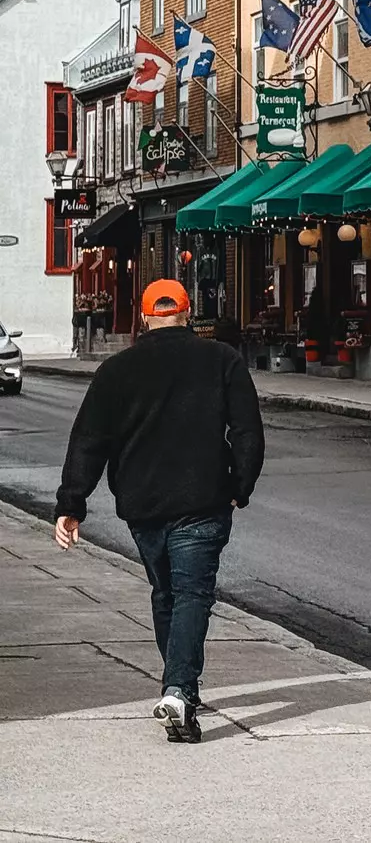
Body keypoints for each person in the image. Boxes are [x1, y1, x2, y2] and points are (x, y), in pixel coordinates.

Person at [54, 278, 264, 744]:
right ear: (188, 315)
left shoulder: (116, 370)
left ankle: (178, 697)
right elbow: (247, 430)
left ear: (145, 317)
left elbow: (88, 440)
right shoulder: (222, 360)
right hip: (202, 501)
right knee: (191, 595)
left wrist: (72, 504)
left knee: (166, 593)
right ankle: (179, 692)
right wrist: (239, 486)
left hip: (142, 504)